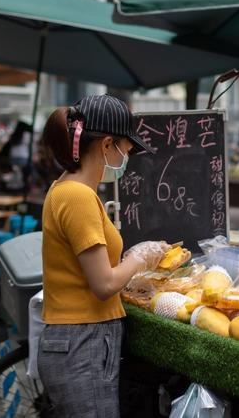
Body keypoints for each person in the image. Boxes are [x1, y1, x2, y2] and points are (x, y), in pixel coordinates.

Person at [37, 94, 171, 417]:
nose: (127, 157)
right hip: (81, 341)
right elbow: (103, 283)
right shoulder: (78, 196)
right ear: (107, 144)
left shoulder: (70, 189)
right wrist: (140, 258)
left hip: (79, 339)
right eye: (126, 149)